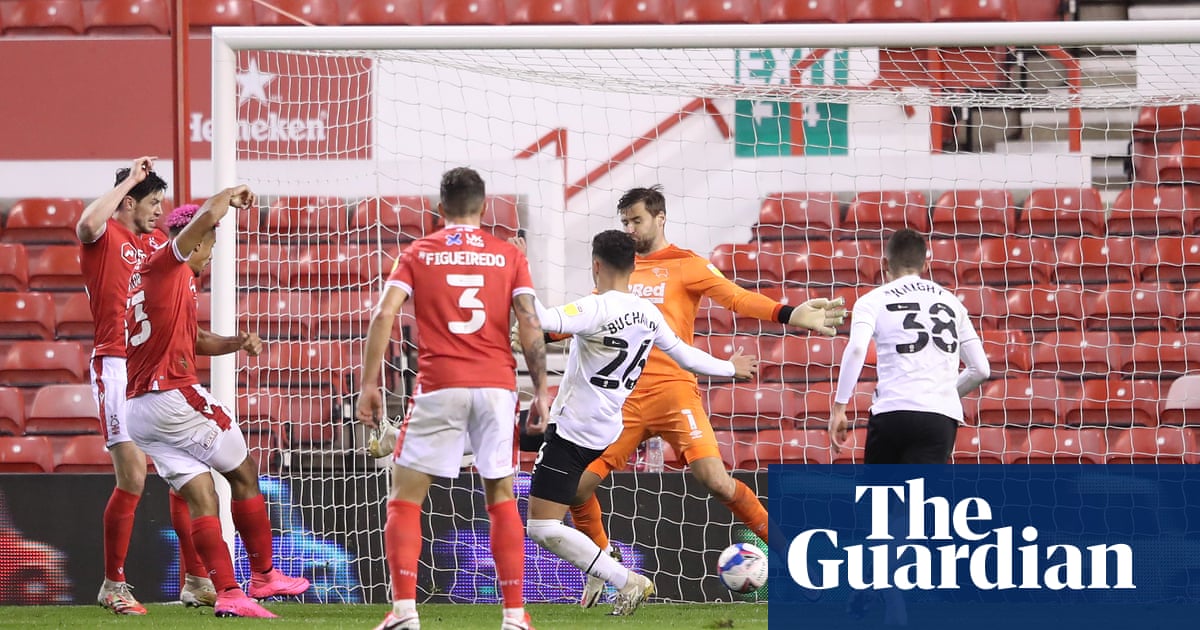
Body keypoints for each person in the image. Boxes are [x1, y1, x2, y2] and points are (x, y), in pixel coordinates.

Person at [570, 185, 848, 608]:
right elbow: (587, 314)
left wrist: (790, 314)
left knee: (715, 480)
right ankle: (603, 563)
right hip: (623, 398)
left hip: (673, 391)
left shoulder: (687, 265)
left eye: (636, 220)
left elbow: (736, 298)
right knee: (577, 487)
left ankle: (792, 552)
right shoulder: (618, 271)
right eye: (624, 222)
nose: (628, 229)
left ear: (660, 218)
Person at [520, 229, 758, 616]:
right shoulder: (648, 313)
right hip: (605, 429)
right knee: (567, 487)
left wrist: (521, 272)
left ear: (595, 265)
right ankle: (600, 563)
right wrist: (731, 367)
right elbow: (687, 356)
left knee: (542, 528)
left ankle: (623, 578)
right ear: (634, 266)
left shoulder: (593, 308)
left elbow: (541, 319)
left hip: (572, 430)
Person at [356, 167, 551, 630]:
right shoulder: (509, 255)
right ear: (484, 209)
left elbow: (385, 313)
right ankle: (514, 617)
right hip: (497, 387)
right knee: (500, 494)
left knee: (405, 497)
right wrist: (541, 390)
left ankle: (404, 612)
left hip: (439, 383)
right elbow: (529, 322)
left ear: (439, 210)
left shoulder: (418, 252)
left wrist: (369, 384)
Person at [124, 190, 311, 619]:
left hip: (141, 411)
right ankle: (264, 575)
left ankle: (228, 592)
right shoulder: (169, 262)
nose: (209, 256)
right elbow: (208, 215)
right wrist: (231, 194)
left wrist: (237, 343)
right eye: (208, 245)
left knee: (203, 498)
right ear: (193, 240)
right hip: (171, 395)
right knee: (244, 472)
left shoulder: (153, 279)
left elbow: (195, 340)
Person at [76, 157, 214, 614]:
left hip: (153, 370)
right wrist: (131, 179)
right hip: (115, 364)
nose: (159, 212)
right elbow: (87, 221)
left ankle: (196, 580)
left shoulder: (156, 243)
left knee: (182, 474)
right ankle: (113, 584)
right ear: (130, 200)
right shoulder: (103, 236)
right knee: (133, 476)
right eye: (152, 202)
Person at [827, 228, 990, 463]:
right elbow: (981, 369)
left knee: (881, 499)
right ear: (925, 264)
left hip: (891, 413)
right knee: (919, 499)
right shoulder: (952, 303)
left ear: (884, 263)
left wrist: (839, 408)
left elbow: (856, 349)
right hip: (938, 418)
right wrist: (940, 394)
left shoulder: (872, 300)